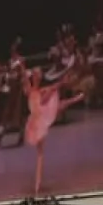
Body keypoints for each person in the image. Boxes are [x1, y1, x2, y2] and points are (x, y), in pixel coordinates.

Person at [23, 68, 85, 196]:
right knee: (40, 154)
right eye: (37, 74)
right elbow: (26, 79)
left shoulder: (40, 90)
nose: (38, 76)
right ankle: (37, 184)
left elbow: (51, 89)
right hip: (36, 121)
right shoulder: (32, 90)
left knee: (40, 154)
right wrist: (22, 67)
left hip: (39, 117)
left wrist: (61, 83)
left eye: (39, 74)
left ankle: (37, 184)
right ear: (34, 77)